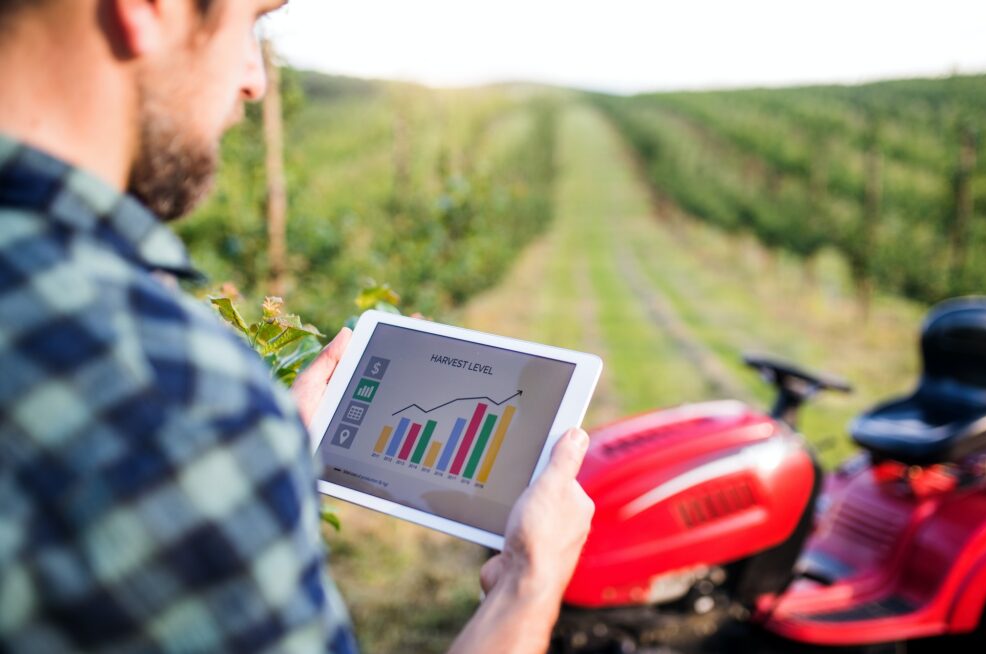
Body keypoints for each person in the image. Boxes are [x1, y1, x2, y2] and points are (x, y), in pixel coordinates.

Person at [0, 1, 594, 652]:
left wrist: (255, 459)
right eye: (248, 22)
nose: (255, 79)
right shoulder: (169, 391)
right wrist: (527, 588)